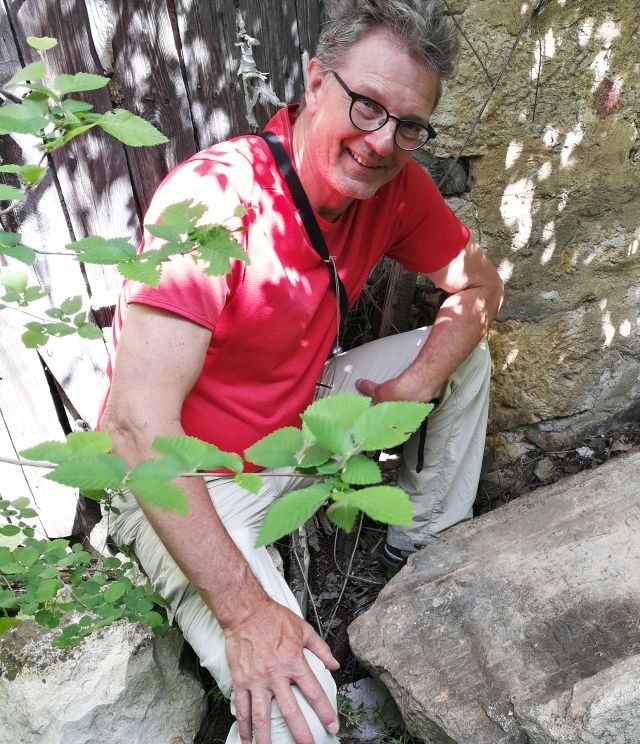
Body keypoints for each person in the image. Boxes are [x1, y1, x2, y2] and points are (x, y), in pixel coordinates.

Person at [98, 2, 504, 743]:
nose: (383, 142)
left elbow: (479, 289)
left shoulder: (396, 186)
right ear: (316, 81)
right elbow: (135, 428)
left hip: (298, 424)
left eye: (408, 125)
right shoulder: (215, 198)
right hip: (192, 475)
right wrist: (248, 616)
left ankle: (423, 550)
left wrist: (415, 386)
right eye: (367, 105)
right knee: (300, 715)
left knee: (461, 355)